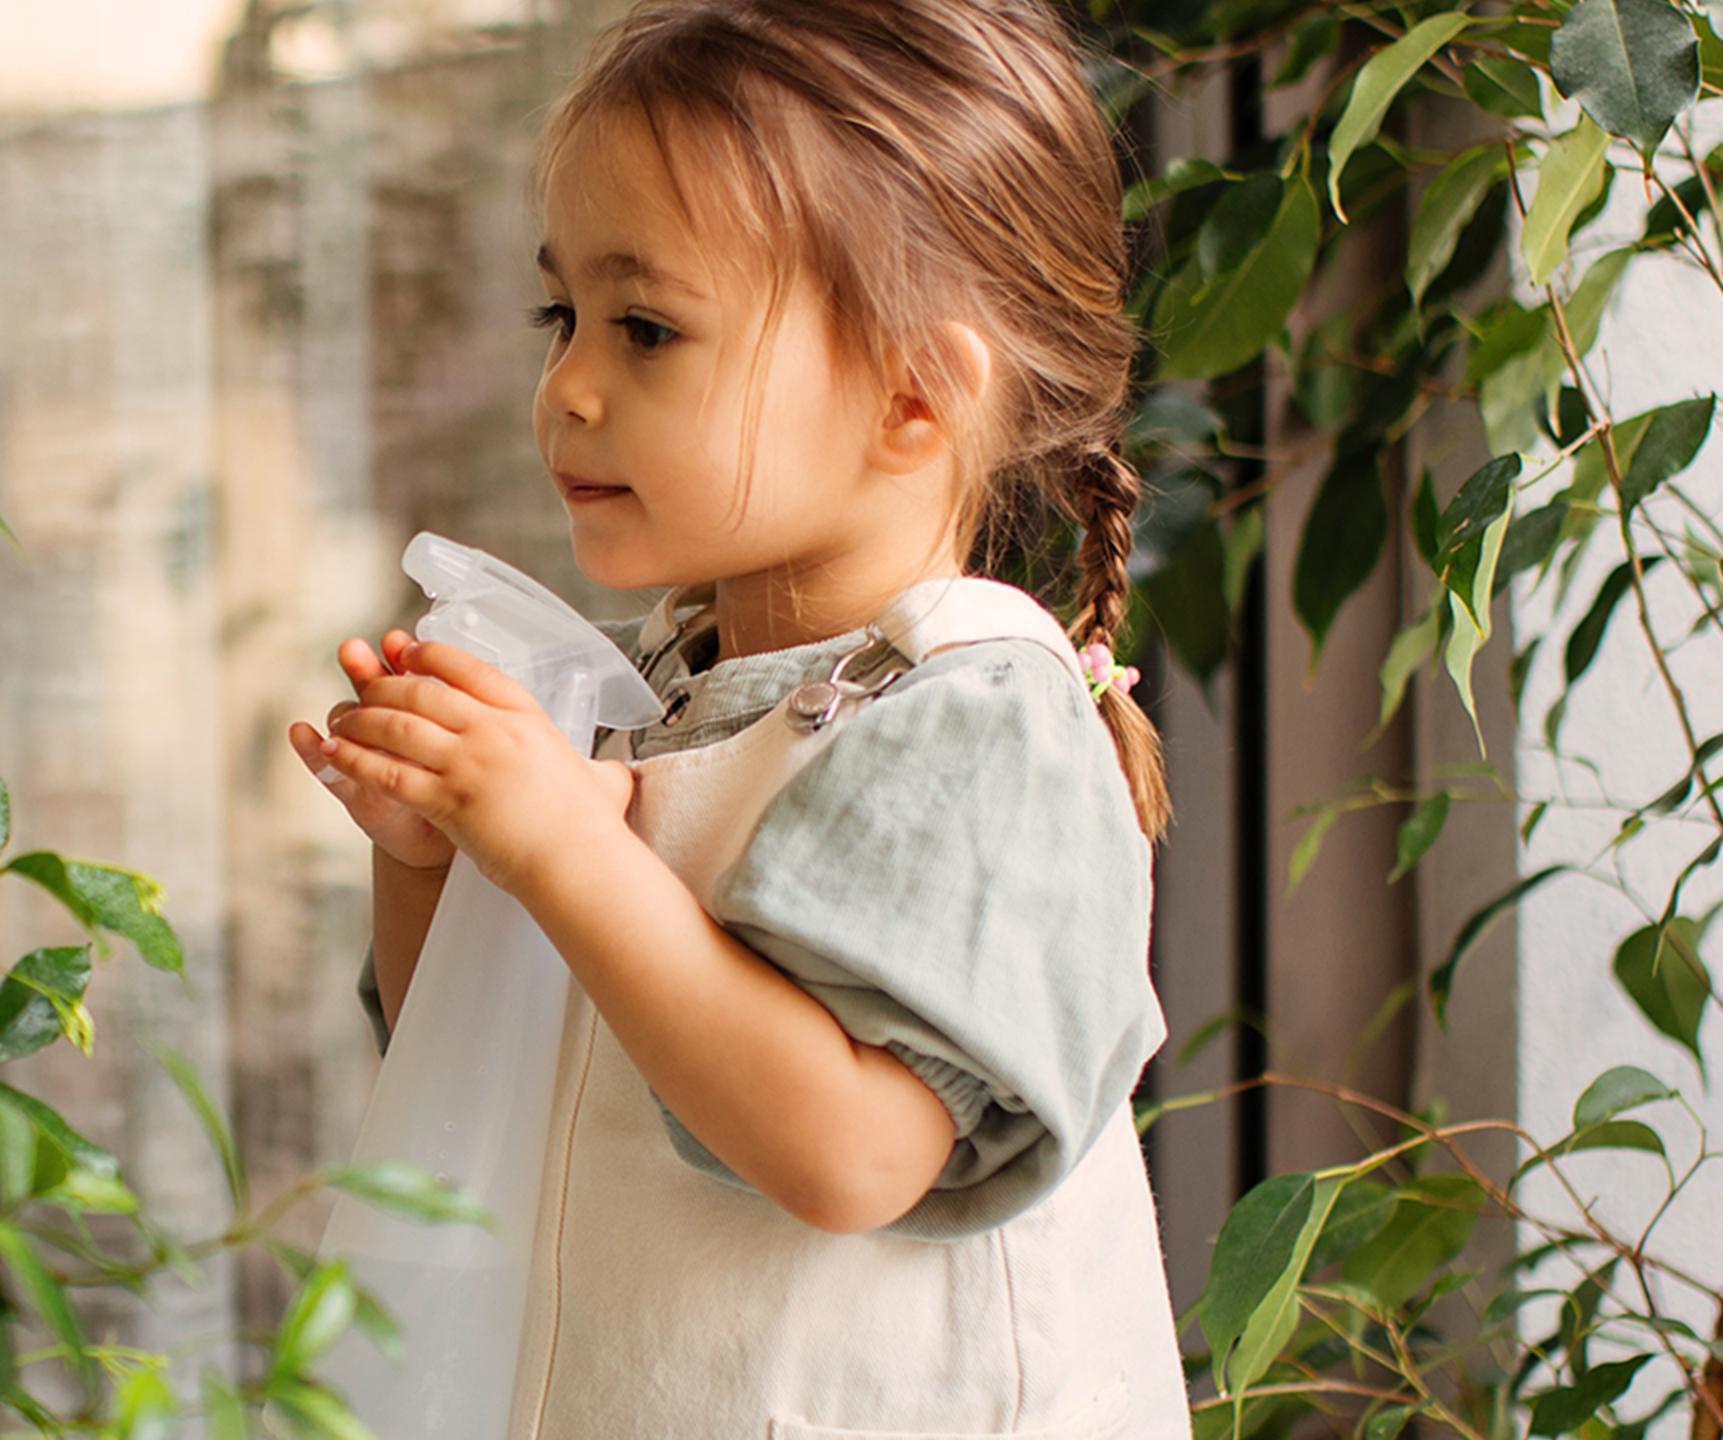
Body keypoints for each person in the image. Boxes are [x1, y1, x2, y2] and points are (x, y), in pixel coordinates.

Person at [283, 1, 1189, 1434]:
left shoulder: (970, 721)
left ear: (912, 394)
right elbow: (483, 1059)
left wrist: (558, 851)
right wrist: (436, 860)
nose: (568, 386)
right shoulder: (662, 692)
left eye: (647, 328)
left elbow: (852, 1154)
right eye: (561, 314)